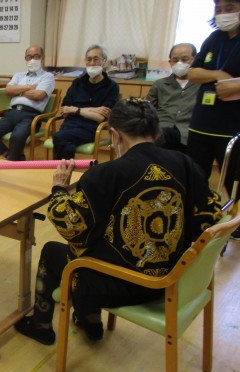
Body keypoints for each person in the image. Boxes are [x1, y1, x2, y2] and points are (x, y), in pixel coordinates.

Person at [14, 98, 222, 345]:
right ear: (156, 133)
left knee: (53, 251)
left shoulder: (107, 173)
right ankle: (89, 320)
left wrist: (59, 189)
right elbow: (211, 216)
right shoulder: (185, 164)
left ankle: (43, 325)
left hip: (124, 284)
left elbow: (70, 226)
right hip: (174, 277)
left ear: (115, 135)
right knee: (105, 240)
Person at [187, 0, 240, 238]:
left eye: (229, 8)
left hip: (232, 124)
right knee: (196, 176)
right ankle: (198, 218)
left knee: (233, 180)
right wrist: (218, 74)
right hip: (202, 123)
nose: (222, 14)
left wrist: (235, 85)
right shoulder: (213, 39)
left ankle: (236, 222)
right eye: (218, 9)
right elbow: (193, 72)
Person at [0, 45, 55, 161]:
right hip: (12, 113)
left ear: (42, 58)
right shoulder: (18, 75)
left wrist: (18, 91)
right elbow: (8, 91)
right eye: (29, 57)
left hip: (30, 116)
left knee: (17, 137)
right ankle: (13, 158)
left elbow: (38, 95)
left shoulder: (48, 77)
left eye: (36, 56)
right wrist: (28, 87)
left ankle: (11, 161)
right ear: (25, 59)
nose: (32, 60)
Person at [51, 45, 120, 160]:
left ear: (104, 62)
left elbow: (100, 117)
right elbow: (64, 110)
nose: (92, 63)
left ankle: (60, 168)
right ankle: (66, 169)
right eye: (89, 59)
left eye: (96, 59)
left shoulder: (112, 87)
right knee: (66, 144)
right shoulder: (77, 83)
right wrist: (93, 110)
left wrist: (76, 110)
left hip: (90, 129)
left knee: (59, 137)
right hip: (69, 125)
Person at [146, 43, 200, 151]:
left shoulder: (201, 85)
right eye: (175, 60)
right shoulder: (159, 84)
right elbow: (148, 111)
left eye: (185, 59)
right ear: (170, 62)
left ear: (195, 59)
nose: (179, 63)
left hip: (189, 135)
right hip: (161, 134)